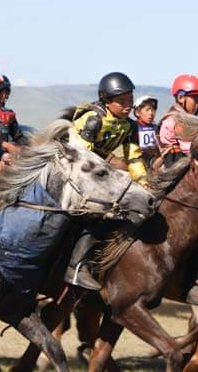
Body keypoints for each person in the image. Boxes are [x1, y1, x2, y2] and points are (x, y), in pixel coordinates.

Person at [67, 72, 147, 290]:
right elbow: (81, 156)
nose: (128, 105)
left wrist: (142, 180)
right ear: (106, 100)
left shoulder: (129, 126)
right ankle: (75, 266)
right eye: (122, 101)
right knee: (99, 211)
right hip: (73, 169)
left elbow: (134, 156)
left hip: (97, 171)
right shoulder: (93, 119)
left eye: (130, 99)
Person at [159, 74, 198, 167]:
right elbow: (185, 147)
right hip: (174, 166)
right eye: (195, 99)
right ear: (181, 98)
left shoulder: (190, 120)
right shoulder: (173, 121)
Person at [132, 95, 160, 167]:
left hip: (155, 162)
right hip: (138, 164)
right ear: (138, 112)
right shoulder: (132, 127)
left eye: (153, 110)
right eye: (147, 110)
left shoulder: (157, 128)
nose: (151, 113)